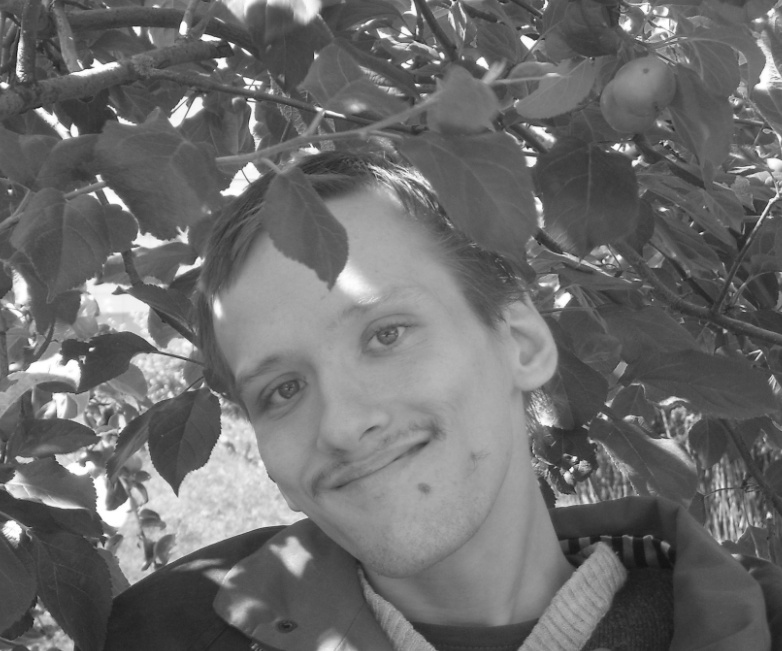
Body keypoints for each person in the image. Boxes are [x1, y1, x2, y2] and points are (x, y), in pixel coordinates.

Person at [103, 149, 782, 651]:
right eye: (282, 390)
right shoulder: (164, 632)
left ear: (520, 342)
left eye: (386, 334)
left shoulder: (751, 621)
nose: (342, 424)